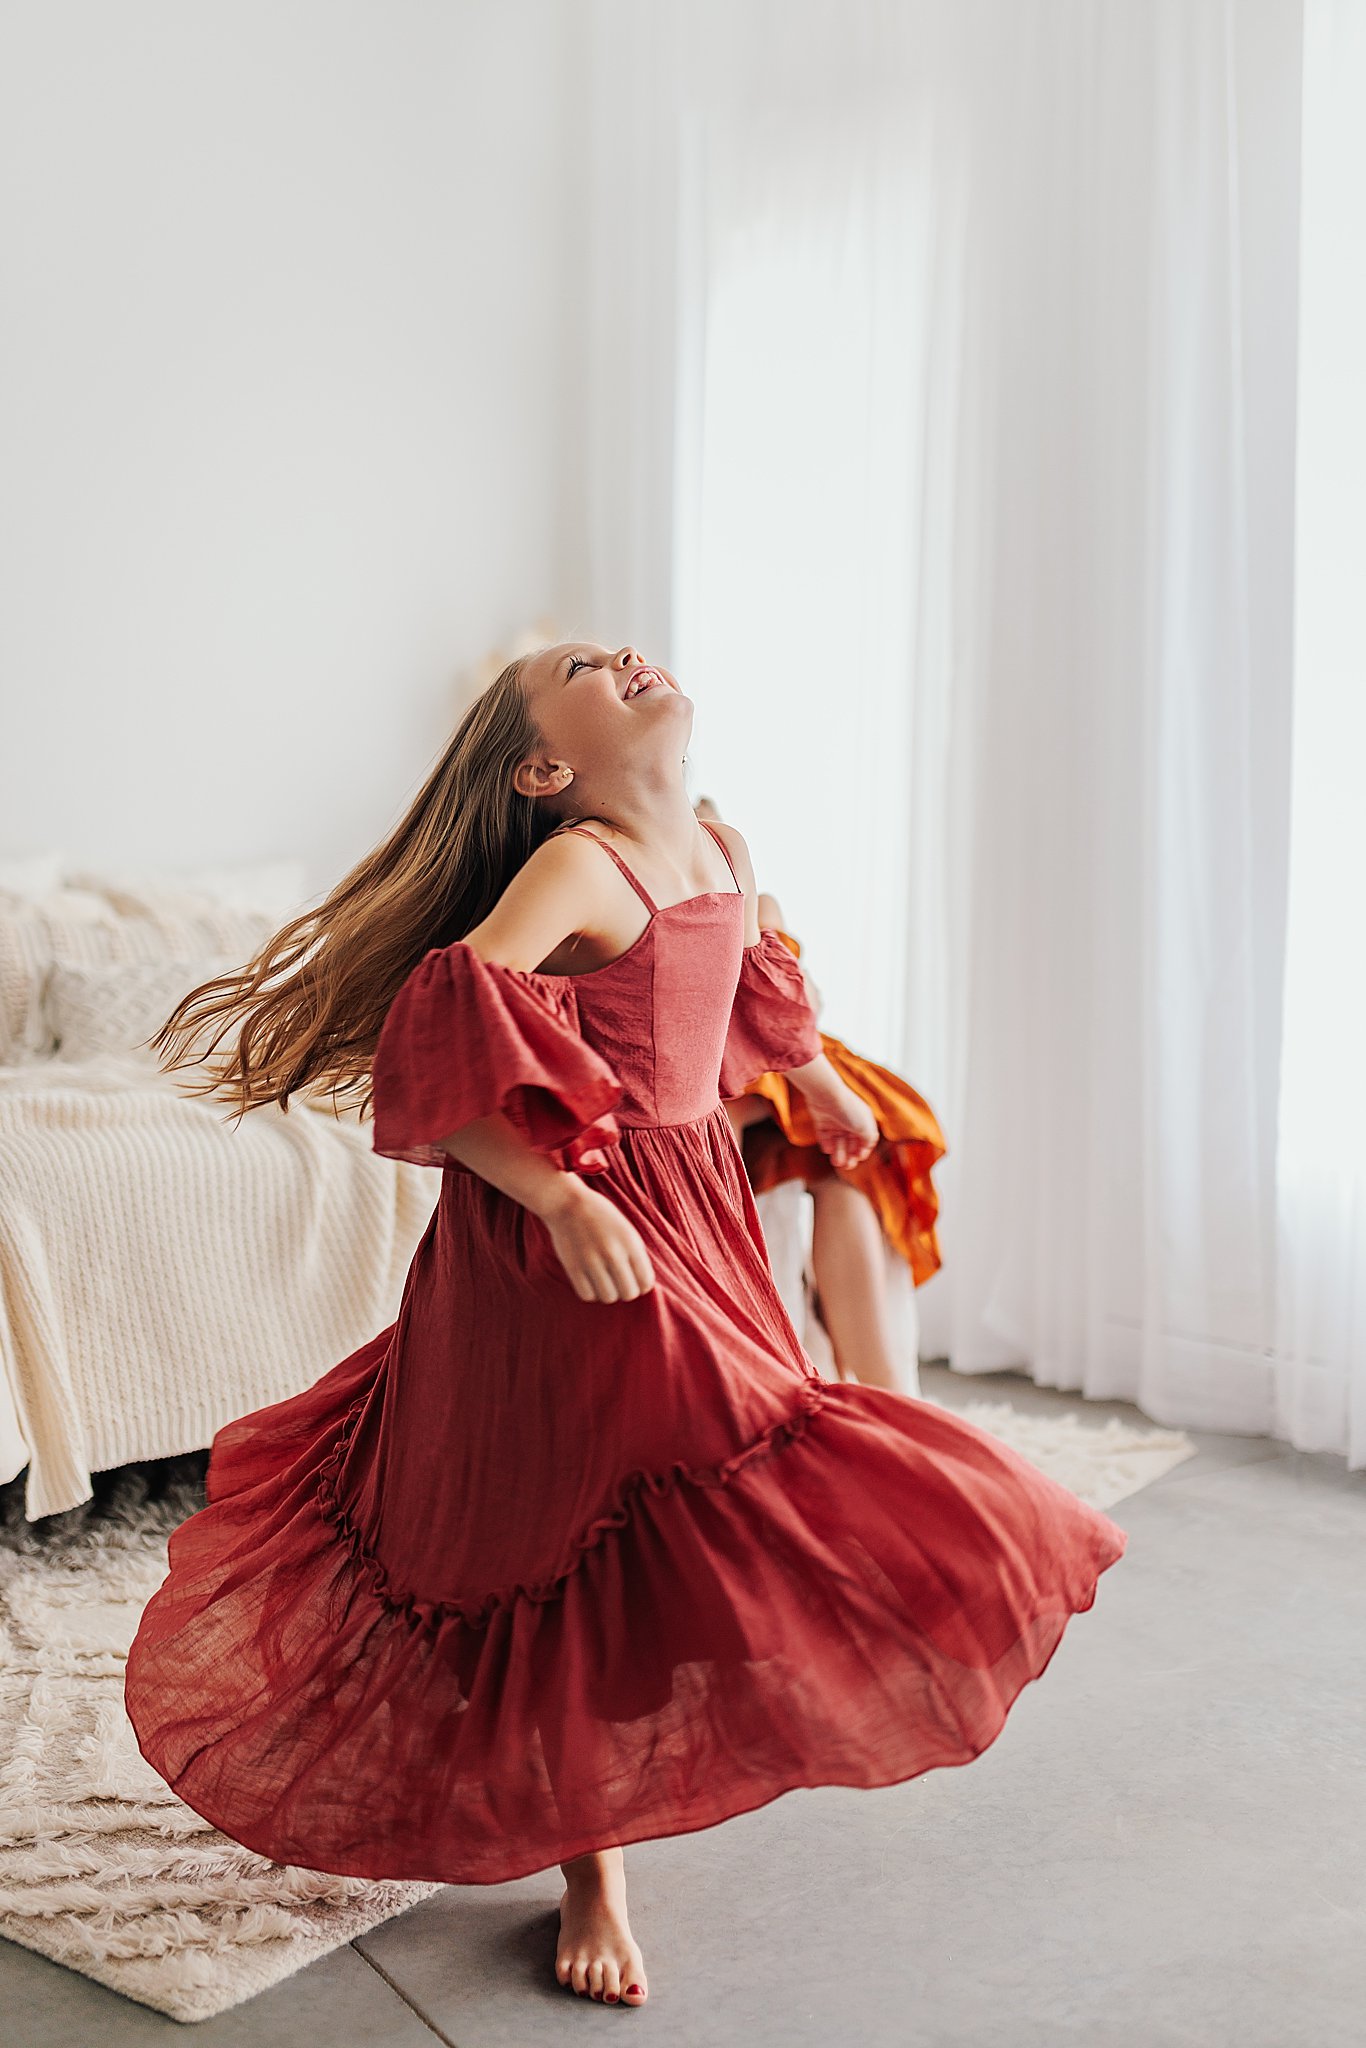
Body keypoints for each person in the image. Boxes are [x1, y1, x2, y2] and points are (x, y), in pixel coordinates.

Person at [123, 641, 1127, 2012]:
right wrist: (549, 1196)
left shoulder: (719, 842)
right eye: (583, 668)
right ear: (546, 768)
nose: (623, 655)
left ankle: (661, 1731)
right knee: (559, 1512)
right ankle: (587, 1867)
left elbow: (743, 1001)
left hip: (694, 1196)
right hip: (569, 1236)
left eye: (615, 646)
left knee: (713, 1454)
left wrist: (821, 1084)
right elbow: (434, 1035)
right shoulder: (578, 868)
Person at [696, 796, 948, 1394]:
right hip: (731, 1079)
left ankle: (883, 1394)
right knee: (806, 1140)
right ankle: (882, 1395)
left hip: (782, 1064)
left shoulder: (750, 896)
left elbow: (784, 1008)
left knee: (847, 1172)